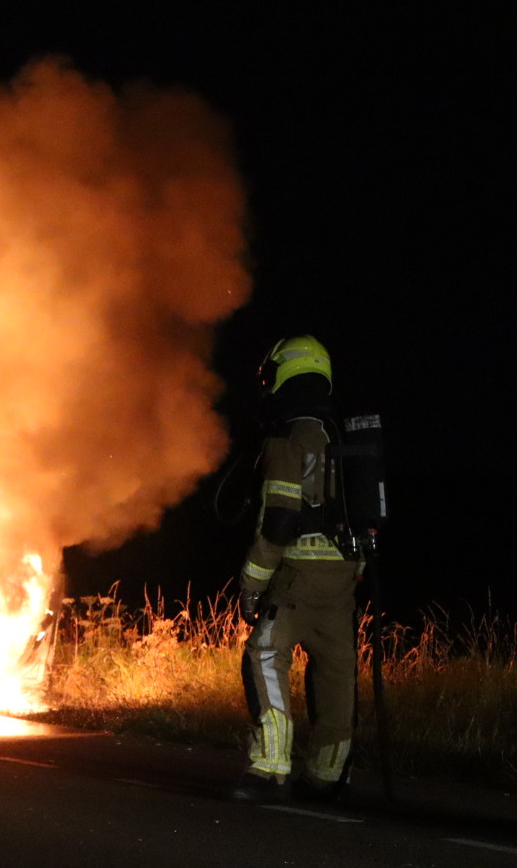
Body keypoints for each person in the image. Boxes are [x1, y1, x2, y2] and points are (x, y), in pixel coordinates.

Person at [232, 335, 361, 802]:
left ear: (284, 373)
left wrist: (251, 583)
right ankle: (327, 776)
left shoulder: (289, 434)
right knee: (335, 672)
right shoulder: (344, 431)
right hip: (345, 578)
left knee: (265, 655)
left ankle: (268, 767)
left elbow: (280, 517)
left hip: (297, 579)